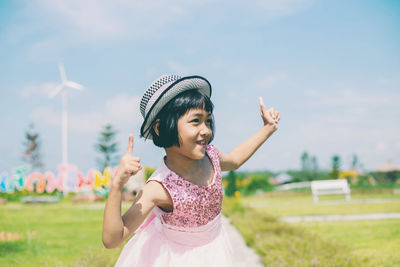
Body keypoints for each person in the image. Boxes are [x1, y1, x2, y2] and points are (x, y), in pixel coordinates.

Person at [102, 74, 280, 266]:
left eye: (208, 121)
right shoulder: (158, 187)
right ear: (160, 128)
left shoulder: (211, 157)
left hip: (216, 252)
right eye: (196, 121)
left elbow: (235, 159)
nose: (206, 130)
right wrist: (117, 185)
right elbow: (113, 239)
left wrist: (268, 128)